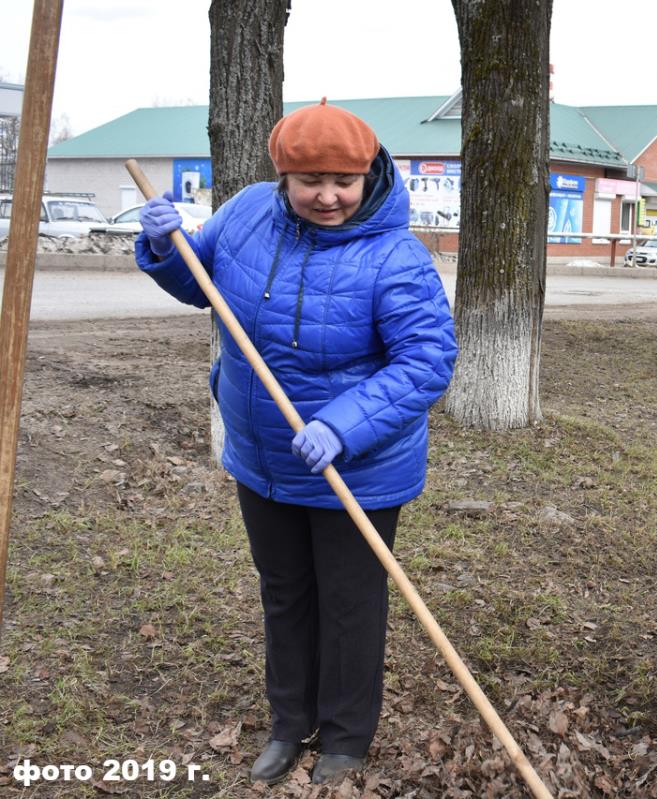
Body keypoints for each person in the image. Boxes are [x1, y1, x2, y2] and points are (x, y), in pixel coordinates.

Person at [135, 98, 458, 786]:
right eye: (310, 181)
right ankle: (289, 723)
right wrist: (168, 247)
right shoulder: (251, 213)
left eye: (343, 180)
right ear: (283, 177)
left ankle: (344, 736)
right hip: (264, 457)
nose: (327, 196)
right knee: (283, 591)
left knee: (348, 600)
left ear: (368, 175)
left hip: (358, 468)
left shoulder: (395, 256)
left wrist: (343, 424)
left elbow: (426, 359)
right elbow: (203, 285)